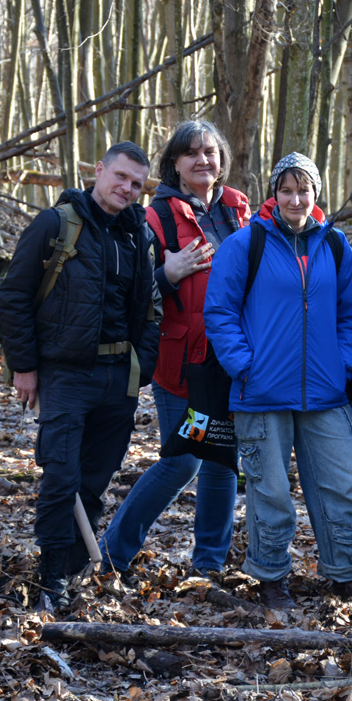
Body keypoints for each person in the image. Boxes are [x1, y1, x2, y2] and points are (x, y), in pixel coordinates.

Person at [203, 152, 352, 609]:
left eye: (304, 190)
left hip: (326, 391)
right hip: (260, 392)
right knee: (271, 491)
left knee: (346, 485)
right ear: (274, 194)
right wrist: (244, 364)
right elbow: (219, 312)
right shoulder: (245, 244)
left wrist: (344, 365)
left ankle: (345, 572)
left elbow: (350, 316)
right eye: (287, 190)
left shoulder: (335, 245)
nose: (296, 199)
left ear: (316, 194)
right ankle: (271, 575)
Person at [0, 141, 162, 613]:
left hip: (118, 378)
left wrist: (142, 367)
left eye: (136, 184)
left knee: (94, 480)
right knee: (61, 478)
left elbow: (150, 308)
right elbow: (14, 297)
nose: (127, 189)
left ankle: (69, 571)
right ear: (98, 170)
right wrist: (24, 367)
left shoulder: (138, 236)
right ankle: (50, 579)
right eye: (121, 177)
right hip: (64, 374)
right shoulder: (56, 225)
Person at [97, 121, 249, 578]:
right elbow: (126, 294)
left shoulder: (242, 213)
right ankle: (111, 554)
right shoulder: (154, 218)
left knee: (222, 462)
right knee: (182, 460)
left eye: (210, 151)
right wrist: (168, 273)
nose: (203, 160)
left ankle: (208, 566)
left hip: (232, 358)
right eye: (191, 153)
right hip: (181, 360)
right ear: (176, 164)